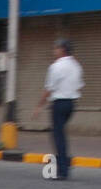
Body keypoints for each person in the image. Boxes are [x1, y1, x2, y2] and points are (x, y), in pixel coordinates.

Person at [36, 37, 84, 180]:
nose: (54, 51)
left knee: (58, 136)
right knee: (61, 134)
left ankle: (63, 170)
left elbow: (49, 89)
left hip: (59, 104)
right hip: (71, 104)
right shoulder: (77, 66)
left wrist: (39, 105)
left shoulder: (56, 66)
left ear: (62, 50)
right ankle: (65, 162)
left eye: (55, 48)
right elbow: (80, 86)